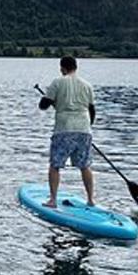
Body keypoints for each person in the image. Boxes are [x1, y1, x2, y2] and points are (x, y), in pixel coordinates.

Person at [39, 56, 96, 208]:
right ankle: (90, 199)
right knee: (85, 165)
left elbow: (43, 105)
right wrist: (87, 128)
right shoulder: (87, 85)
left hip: (64, 129)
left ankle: (52, 200)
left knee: (55, 165)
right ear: (75, 67)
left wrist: (51, 100)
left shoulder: (57, 82)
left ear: (62, 68)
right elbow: (92, 110)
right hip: (84, 129)